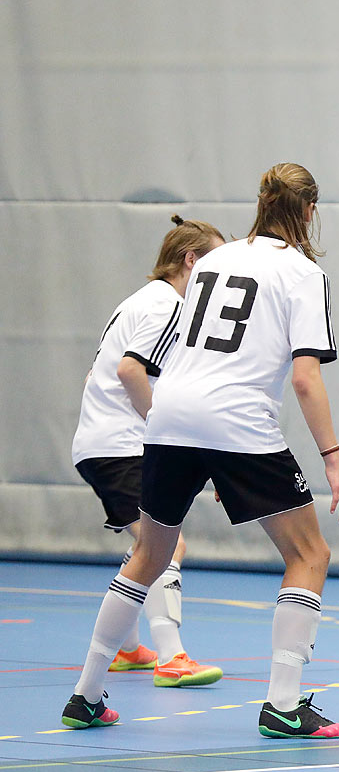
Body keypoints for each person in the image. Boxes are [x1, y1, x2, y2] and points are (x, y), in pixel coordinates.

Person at [61, 162, 339, 739]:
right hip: (237, 421)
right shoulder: (302, 273)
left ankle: (85, 695)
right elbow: (305, 378)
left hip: (169, 414)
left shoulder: (215, 260)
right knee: (309, 555)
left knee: (149, 554)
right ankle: (284, 704)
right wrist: (334, 460)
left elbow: (165, 356)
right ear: (308, 212)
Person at [71, 215, 227, 689]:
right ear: (192, 260)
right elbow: (128, 371)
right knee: (165, 546)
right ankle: (171, 656)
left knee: (147, 546)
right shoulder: (168, 305)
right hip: (119, 445)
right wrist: (165, 435)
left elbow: (100, 375)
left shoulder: (140, 302)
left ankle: (128, 648)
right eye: (215, 264)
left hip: (105, 442)